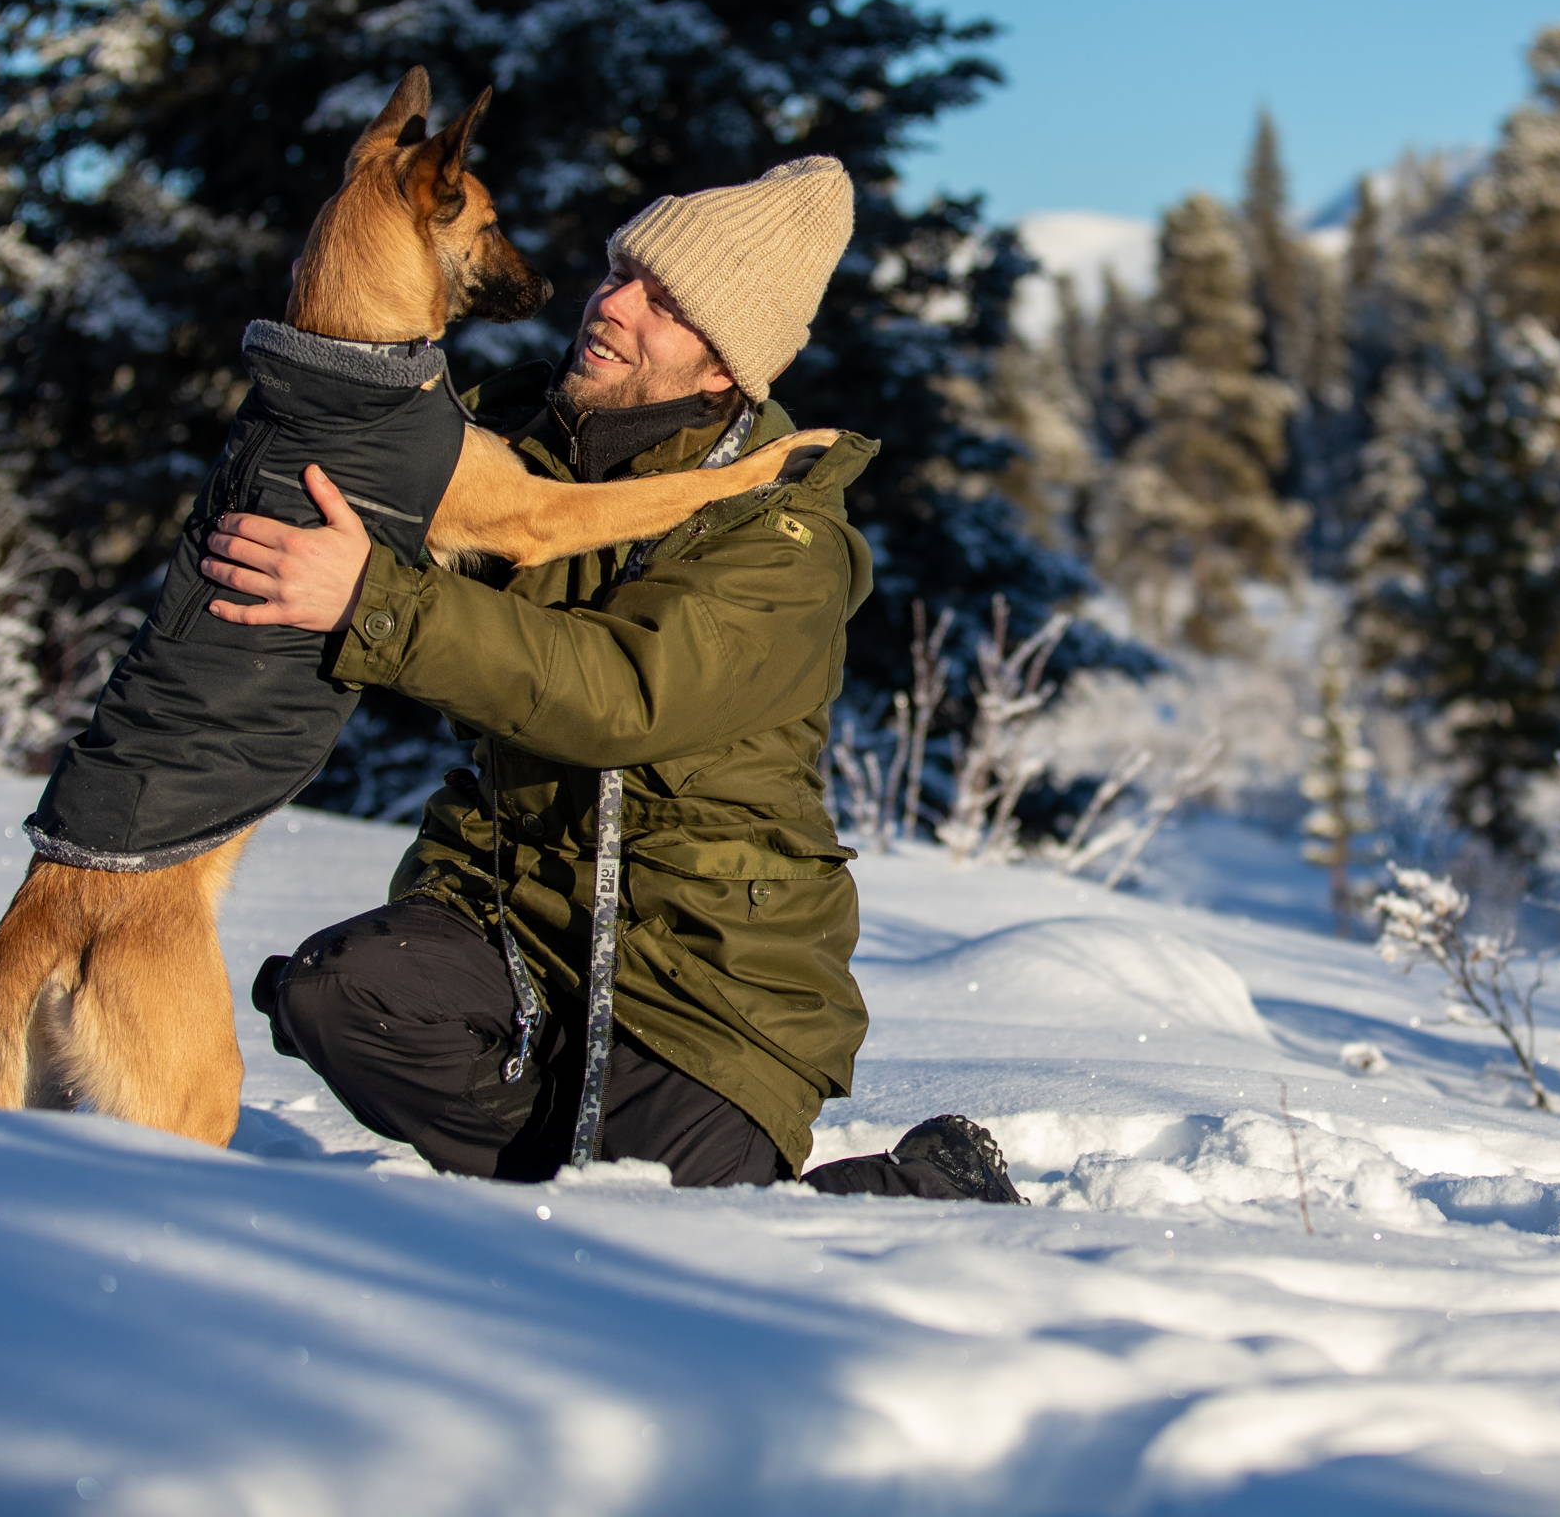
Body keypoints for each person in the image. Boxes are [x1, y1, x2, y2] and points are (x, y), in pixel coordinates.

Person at [199, 157, 1019, 1202]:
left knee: (671, 1232)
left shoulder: (782, 532)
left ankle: (919, 1186)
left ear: (725, 367)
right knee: (333, 996)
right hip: (516, 930)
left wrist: (377, 602)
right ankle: (561, 1184)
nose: (612, 302)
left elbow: (621, 691)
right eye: (621, 271)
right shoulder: (515, 455)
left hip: (699, 982)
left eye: (665, 301)